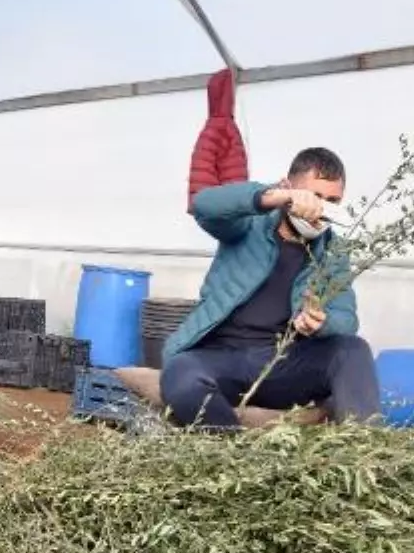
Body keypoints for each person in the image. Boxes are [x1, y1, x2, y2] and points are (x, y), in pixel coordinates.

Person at [160, 148, 380, 428]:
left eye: (332, 201)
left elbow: (347, 318)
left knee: (353, 349)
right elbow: (205, 204)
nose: (319, 209)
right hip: (221, 357)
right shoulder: (247, 225)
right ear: (288, 188)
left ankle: (363, 450)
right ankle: (233, 451)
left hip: (284, 364)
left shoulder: (334, 251)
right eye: (314, 196)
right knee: (182, 376)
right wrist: (268, 198)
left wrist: (321, 323)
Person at [186, 69, 249, 212]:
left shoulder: (219, 126)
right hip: (227, 204)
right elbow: (203, 166)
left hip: (227, 202)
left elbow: (202, 167)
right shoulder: (221, 127)